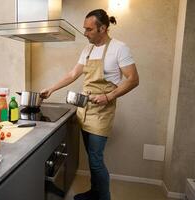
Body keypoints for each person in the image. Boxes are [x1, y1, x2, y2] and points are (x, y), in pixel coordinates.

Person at [40, 9, 139, 200]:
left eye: (89, 29)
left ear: (102, 28)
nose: (85, 33)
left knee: (95, 160)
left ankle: (103, 197)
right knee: (91, 156)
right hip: (84, 109)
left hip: (102, 112)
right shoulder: (88, 49)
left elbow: (133, 79)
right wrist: (51, 89)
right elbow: (72, 74)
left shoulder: (119, 48)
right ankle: (95, 193)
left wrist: (108, 96)